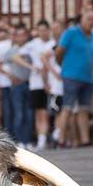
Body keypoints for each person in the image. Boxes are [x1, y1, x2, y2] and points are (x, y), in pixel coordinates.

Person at [56, 10, 93, 147]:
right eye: (88, 19)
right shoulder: (71, 33)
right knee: (67, 107)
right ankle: (61, 139)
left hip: (88, 78)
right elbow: (59, 52)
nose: (91, 23)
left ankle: (85, 140)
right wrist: (64, 67)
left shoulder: (92, 37)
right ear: (82, 19)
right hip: (71, 76)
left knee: (84, 109)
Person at [0, 24, 34, 147]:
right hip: (17, 86)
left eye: (23, 34)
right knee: (19, 114)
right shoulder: (12, 50)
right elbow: (9, 61)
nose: (21, 37)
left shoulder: (31, 48)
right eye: (18, 35)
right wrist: (11, 75)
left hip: (31, 85)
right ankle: (19, 142)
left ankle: (28, 141)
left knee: (29, 114)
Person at [23, 20, 56, 150]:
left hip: (50, 83)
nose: (42, 33)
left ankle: (45, 139)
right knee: (38, 113)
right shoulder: (33, 44)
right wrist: (30, 66)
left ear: (48, 30)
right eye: (40, 30)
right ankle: (40, 140)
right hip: (35, 84)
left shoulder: (53, 43)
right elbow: (15, 55)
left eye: (45, 30)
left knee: (45, 113)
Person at [0, 25, 13, 136]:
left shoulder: (19, 44)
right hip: (4, 83)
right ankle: (9, 135)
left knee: (17, 111)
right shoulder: (0, 46)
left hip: (18, 83)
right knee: (7, 111)